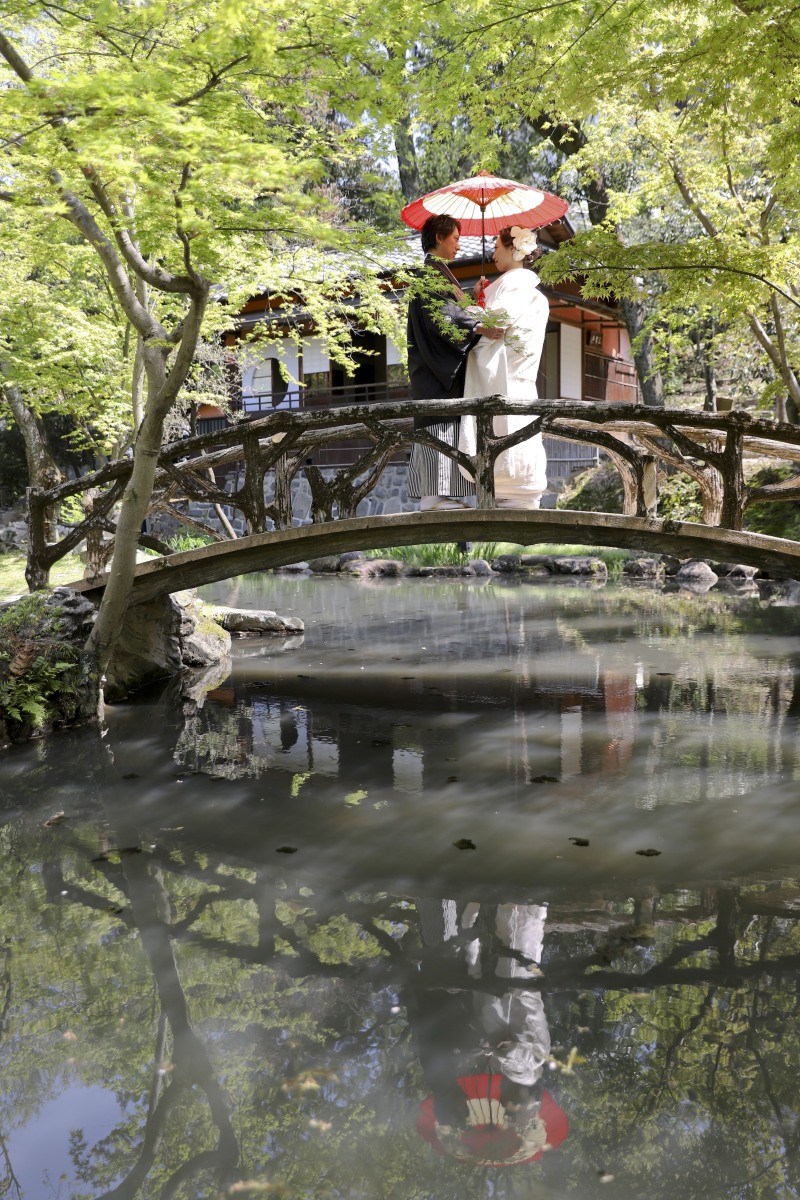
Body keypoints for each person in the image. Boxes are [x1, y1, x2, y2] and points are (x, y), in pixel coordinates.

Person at [406, 214, 503, 511]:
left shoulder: (439, 273)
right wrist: (476, 325)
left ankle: (441, 494)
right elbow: (443, 317)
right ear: (439, 237)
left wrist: (471, 299)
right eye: (456, 238)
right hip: (434, 369)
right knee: (440, 420)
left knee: (448, 421)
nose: (459, 245)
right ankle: (432, 497)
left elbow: (451, 309)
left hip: (437, 366)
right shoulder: (429, 275)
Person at [460, 226, 549, 509]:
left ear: (514, 249)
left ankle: (512, 489)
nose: (493, 253)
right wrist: (480, 301)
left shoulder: (515, 283)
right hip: (517, 375)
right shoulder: (519, 285)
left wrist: (467, 310)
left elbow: (496, 326)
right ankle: (517, 488)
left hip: (506, 372)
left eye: (497, 246)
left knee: (504, 425)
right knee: (515, 425)